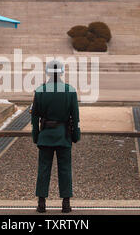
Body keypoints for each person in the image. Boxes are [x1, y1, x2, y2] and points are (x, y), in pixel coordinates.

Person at [30, 60, 80, 213]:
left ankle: (41, 203)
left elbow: (34, 118)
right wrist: (75, 135)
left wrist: (36, 136)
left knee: (44, 169)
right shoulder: (70, 91)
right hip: (63, 136)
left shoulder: (40, 91)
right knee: (65, 169)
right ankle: (65, 203)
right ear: (62, 72)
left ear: (47, 73)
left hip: (45, 135)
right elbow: (75, 117)